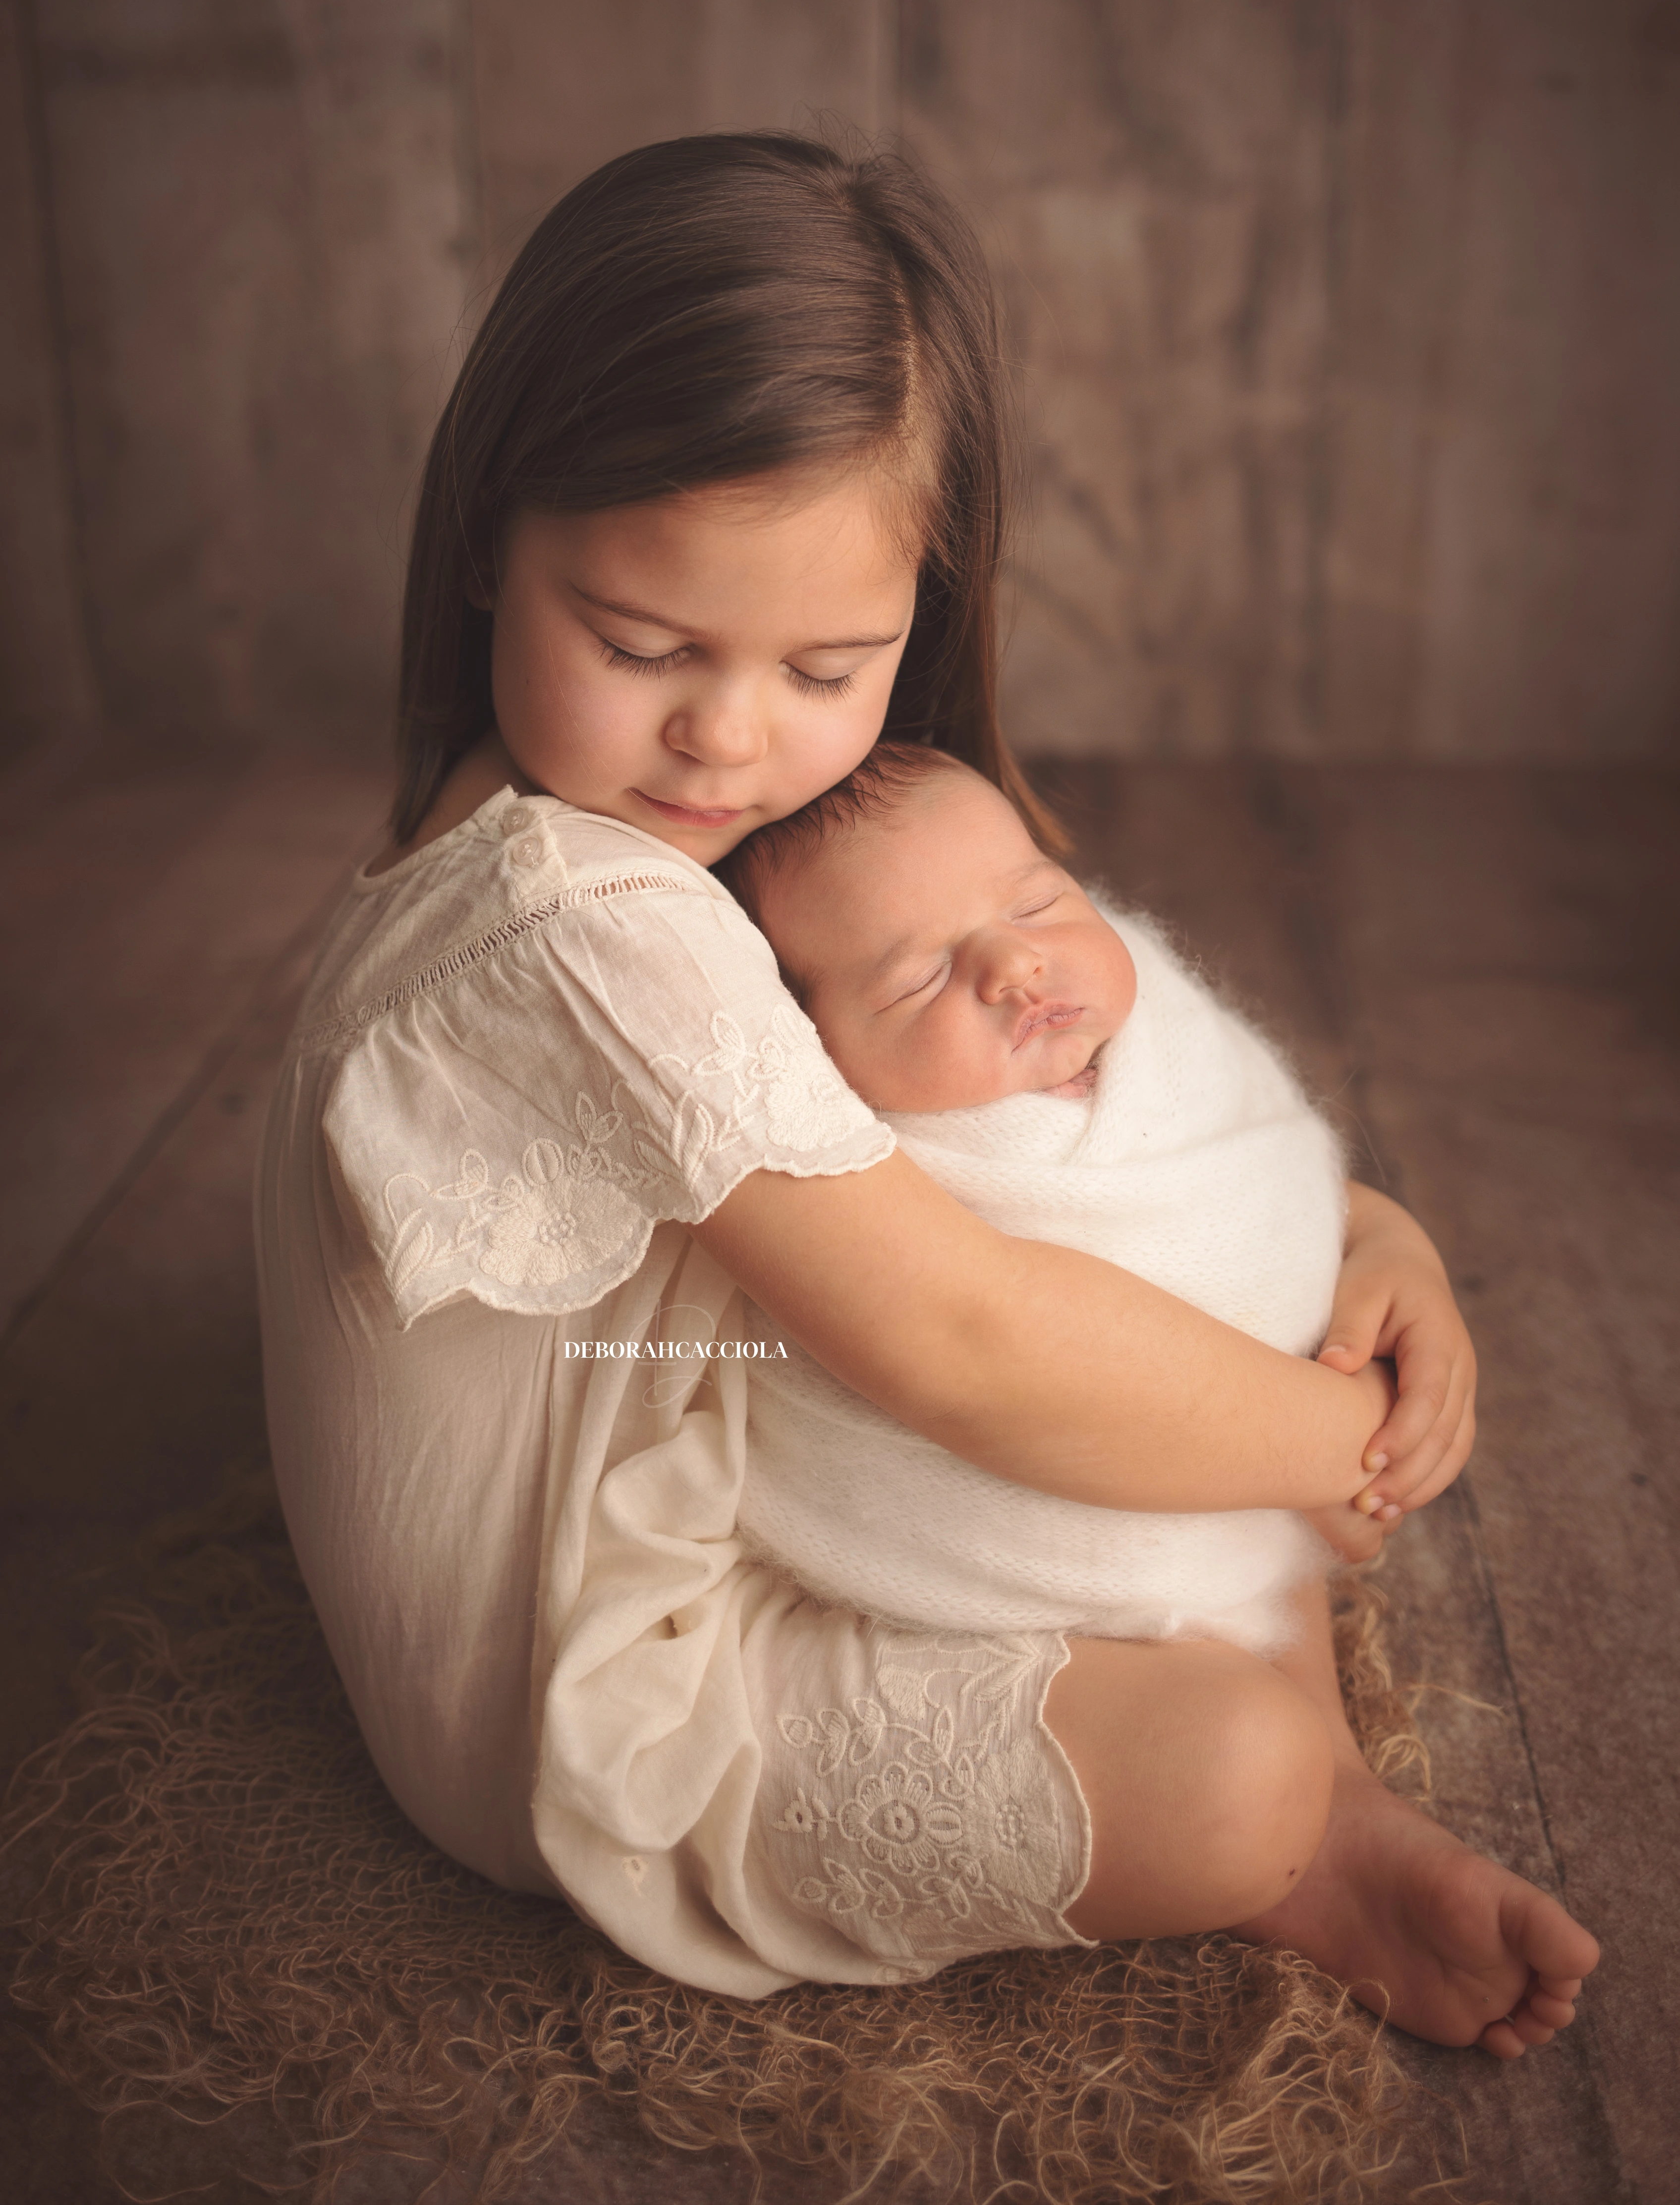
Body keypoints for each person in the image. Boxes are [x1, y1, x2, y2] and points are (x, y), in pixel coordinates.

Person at [256, 131, 1597, 2060]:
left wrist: (1352, 1234)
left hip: (725, 1456)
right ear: (490, 535)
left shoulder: (739, 831)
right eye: (641, 644)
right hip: (592, 1687)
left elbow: (1080, 1110)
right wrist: (1326, 1433)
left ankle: (1310, 1794)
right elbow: (961, 1336)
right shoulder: (571, 917)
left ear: (924, 597)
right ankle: (1286, 1826)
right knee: (1222, 1743)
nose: (728, 733)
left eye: (825, 660)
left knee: (1158, 1329)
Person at [719, 739, 1350, 1651]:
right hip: (996, 1551)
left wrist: (1380, 1249)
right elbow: (987, 1358)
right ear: (815, 1051)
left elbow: (1278, 1169)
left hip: (1277, 1441)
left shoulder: (1165, 1031)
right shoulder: (855, 1165)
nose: (1014, 963)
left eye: (1037, 902)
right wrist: (1357, 1442)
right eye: (918, 978)